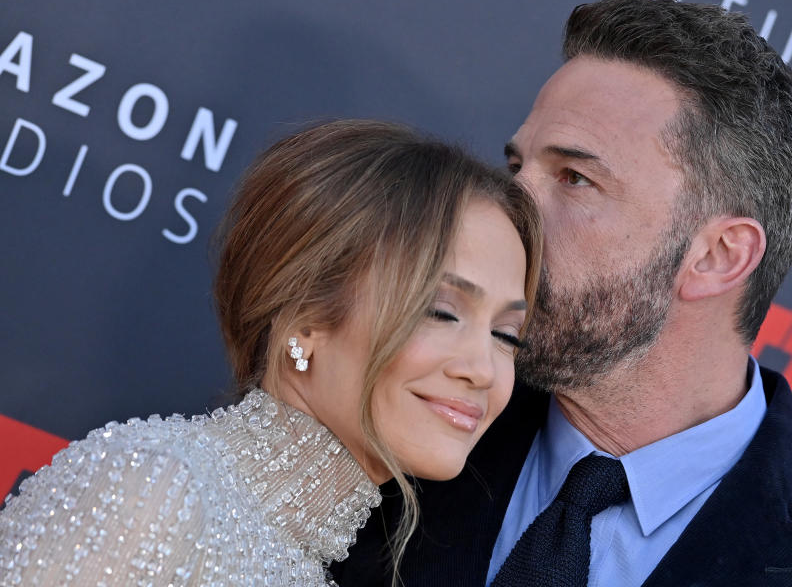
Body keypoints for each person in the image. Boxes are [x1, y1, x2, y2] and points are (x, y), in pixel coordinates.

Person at [332, 0, 792, 586]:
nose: (508, 210)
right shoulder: (380, 405)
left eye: (574, 178)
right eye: (516, 167)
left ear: (717, 256)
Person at [0, 120, 543, 586]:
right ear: (305, 317)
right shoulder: (154, 492)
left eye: (506, 335)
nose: (482, 370)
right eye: (442, 312)